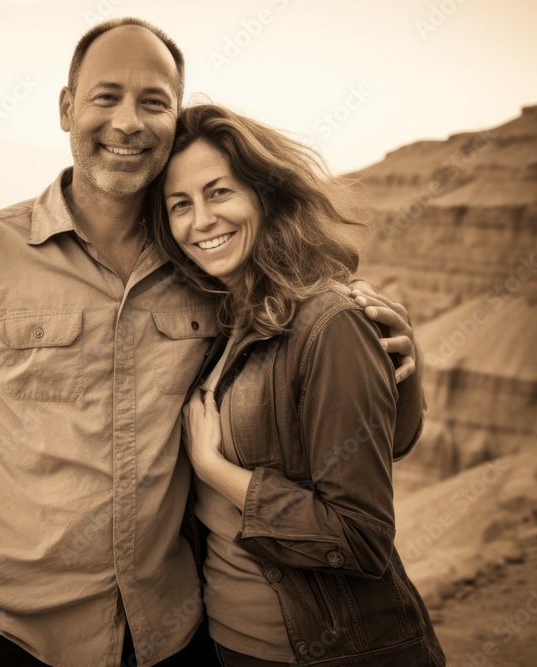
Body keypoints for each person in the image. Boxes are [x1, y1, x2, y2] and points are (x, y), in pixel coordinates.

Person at [0, 18, 423, 667]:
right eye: (105, 96)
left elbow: (336, 430)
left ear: (173, 119)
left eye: (153, 101)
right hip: (22, 641)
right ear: (67, 108)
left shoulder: (204, 267)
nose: (127, 121)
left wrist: (397, 368)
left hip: (175, 636)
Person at [152, 103, 444, 666]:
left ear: (265, 194)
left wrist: (218, 471)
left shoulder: (327, 321)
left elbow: (361, 535)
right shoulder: (225, 319)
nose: (201, 221)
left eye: (219, 193)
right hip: (229, 645)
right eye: (179, 205)